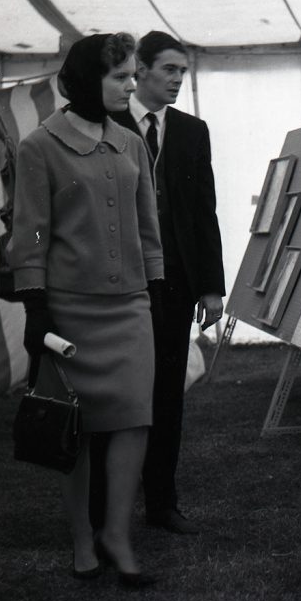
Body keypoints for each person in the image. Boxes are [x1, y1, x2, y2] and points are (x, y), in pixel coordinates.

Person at [6, 33, 163, 586]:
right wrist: (36, 310)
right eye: (120, 76)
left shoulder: (132, 142)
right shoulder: (38, 147)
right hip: (70, 310)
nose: (131, 85)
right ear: (85, 80)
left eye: (131, 75)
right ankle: (81, 539)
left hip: (131, 308)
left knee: (134, 419)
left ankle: (116, 533)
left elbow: (149, 228)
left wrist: (157, 289)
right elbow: (30, 236)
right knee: (78, 426)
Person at [98, 30, 225, 535]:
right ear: (142, 69)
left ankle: (162, 504)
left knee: (168, 395)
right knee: (119, 396)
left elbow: (203, 213)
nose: (177, 80)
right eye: (169, 69)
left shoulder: (193, 131)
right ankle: (109, 508)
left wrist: (211, 286)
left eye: (183, 72)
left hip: (173, 286)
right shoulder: (104, 125)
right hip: (120, 284)